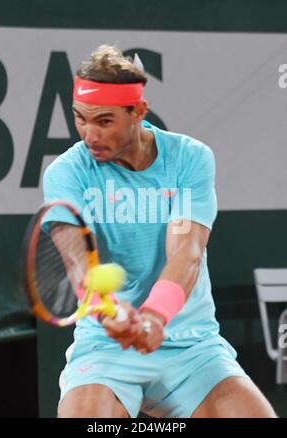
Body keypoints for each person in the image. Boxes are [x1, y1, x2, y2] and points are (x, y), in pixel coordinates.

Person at [43, 45, 276, 418]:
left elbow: (187, 254)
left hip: (190, 346)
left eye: (104, 121)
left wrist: (153, 316)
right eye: (80, 119)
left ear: (138, 112)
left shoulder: (188, 158)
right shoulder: (66, 173)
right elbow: (78, 266)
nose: (89, 134)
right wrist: (110, 313)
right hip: (107, 346)